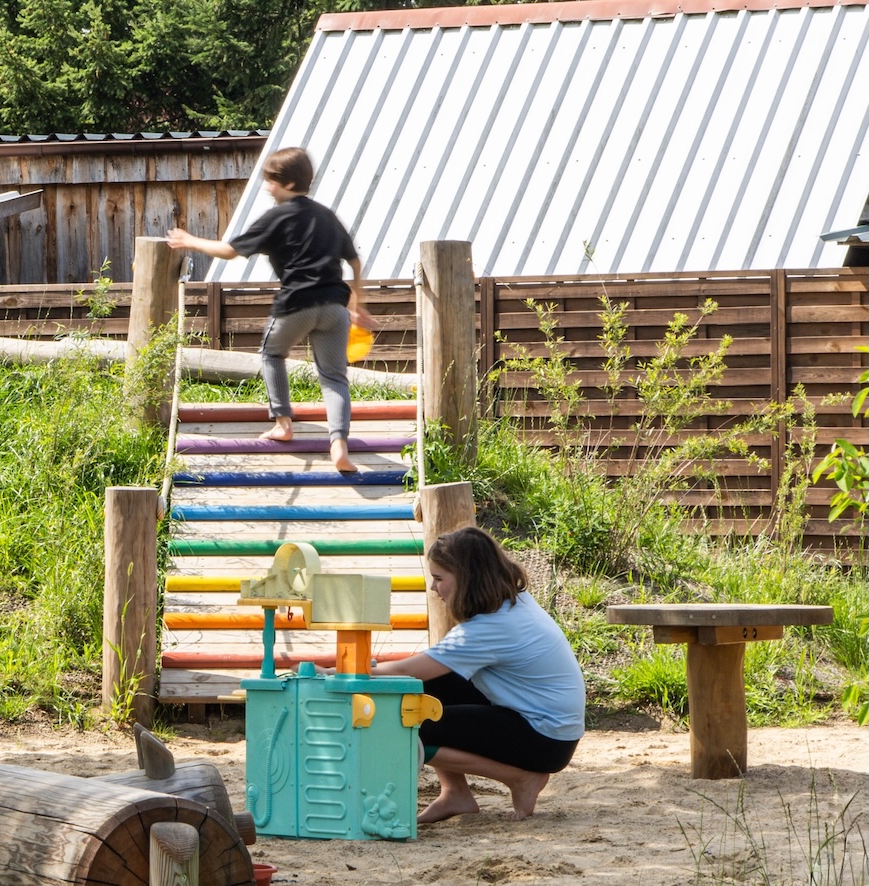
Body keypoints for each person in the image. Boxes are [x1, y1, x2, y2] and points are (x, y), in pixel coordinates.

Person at [166, 147, 378, 473]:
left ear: (290, 184)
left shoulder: (276, 217)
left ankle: (283, 423)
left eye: (272, 181)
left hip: (297, 304)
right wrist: (357, 304)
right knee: (335, 378)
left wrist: (189, 241)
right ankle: (339, 445)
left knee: (271, 354)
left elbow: (229, 251)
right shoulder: (326, 216)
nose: (267, 187)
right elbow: (354, 261)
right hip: (335, 307)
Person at [374, 526, 585, 823]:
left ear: (467, 580)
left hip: (544, 740)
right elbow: (425, 673)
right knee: (431, 687)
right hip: (552, 729)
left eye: (438, 579)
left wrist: (343, 671)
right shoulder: (514, 602)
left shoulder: (490, 629)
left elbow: (407, 669)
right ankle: (454, 794)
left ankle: (521, 778)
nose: (433, 588)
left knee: (411, 723)